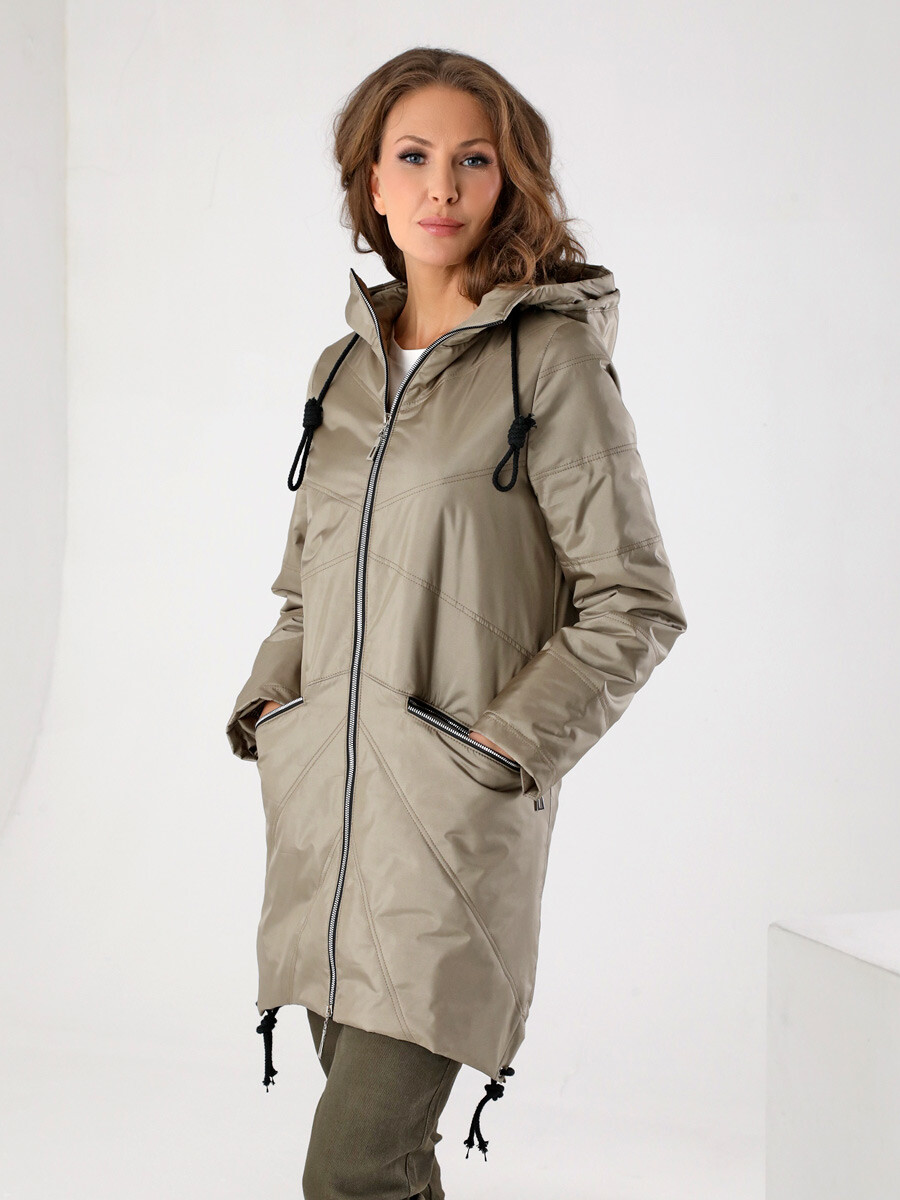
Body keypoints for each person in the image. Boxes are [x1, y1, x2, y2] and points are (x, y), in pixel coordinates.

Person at [226, 46, 687, 1200]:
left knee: (353, 1170)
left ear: (508, 180)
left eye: (473, 160)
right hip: (323, 825)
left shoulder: (550, 360)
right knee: (389, 1169)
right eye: (414, 157)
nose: (442, 186)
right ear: (372, 184)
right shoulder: (341, 371)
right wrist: (272, 708)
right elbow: (304, 587)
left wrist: (499, 749)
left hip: (446, 832)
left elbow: (632, 600)